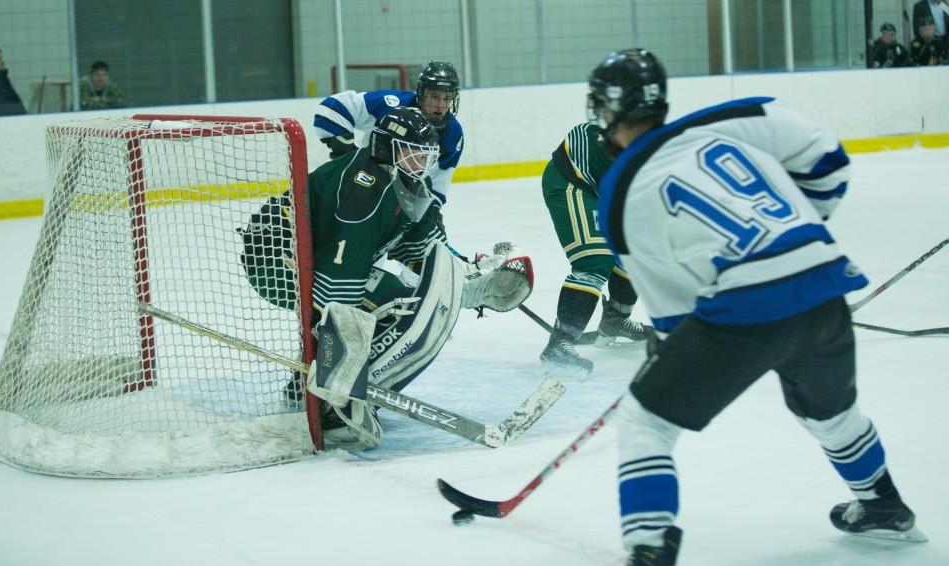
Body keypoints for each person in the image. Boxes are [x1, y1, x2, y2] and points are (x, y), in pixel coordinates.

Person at [587, 49, 926, 565]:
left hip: (745, 312)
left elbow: (673, 309)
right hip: (823, 286)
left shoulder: (619, 191)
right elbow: (826, 157)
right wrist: (795, 232)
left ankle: (649, 547)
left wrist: (673, 349)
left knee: (646, 422)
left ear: (609, 109)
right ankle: (883, 503)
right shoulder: (718, 126)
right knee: (832, 413)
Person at [240, 107, 531, 448]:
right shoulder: (361, 189)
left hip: (321, 256)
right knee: (381, 305)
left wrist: (463, 272)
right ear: (387, 147)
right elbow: (337, 287)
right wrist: (337, 362)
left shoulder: (406, 178)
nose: (423, 162)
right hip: (276, 260)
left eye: (427, 155)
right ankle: (330, 402)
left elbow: (423, 246)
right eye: (415, 153)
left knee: (396, 296)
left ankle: (307, 382)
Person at [538, 122, 653, 378]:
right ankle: (560, 343)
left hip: (607, 186)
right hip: (572, 179)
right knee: (595, 260)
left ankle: (615, 321)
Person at [313, 61, 464, 209]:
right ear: (421, 93)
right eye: (434, 96)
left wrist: (429, 215)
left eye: (447, 98)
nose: (440, 106)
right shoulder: (391, 105)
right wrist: (348, 155)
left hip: (397, 207)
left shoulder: (453, 134)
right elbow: (332, 108)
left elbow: (439, 185)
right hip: (357, 192)